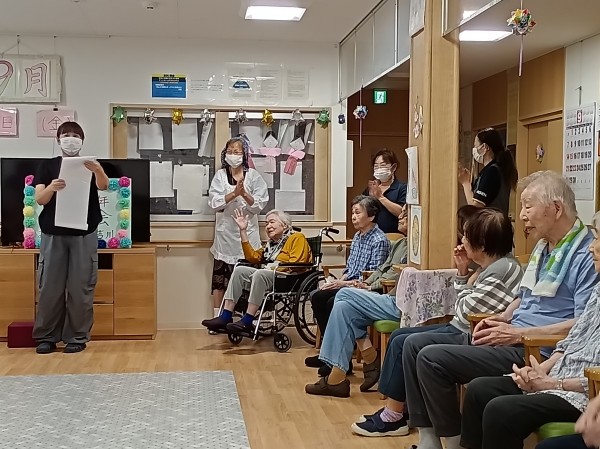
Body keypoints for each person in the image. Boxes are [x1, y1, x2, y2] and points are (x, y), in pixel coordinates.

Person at [404, 171, 598, 449]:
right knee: (414, 345)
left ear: (556, 209)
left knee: (432, 358)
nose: (522, 216)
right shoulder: (544, 247)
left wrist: (518, 334)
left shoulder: (586, 255)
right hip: (515, 336)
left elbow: (583, 324)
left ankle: (447, 441)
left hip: (534, 347)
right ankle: (434, 438)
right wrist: (504, 316)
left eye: (528, 206)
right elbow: (524, 296)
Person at [352, 207, 522, 435]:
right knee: (400, 336)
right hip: (462, 328)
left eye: (466, 236)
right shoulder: (491, 266)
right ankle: (399, 412)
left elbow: (464, 310)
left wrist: (465, 278)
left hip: (470, 333)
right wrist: (464, 274)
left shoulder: (501, 269)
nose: (462, 241)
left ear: (481, 244)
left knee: (408, 343)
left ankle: (396, 416)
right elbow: (463, 306)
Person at [459, 213, 600, 449]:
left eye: (598, 239)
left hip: (583, 393)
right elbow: (572, 340)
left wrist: (553, 383)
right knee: (478, 390)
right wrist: (541, 370)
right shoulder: (598, 291)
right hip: (557, 376)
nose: (591, 247)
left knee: (501, 410)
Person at [304, 205, 409, 398]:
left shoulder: (414, 248)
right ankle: (337, 379)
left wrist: (366, 286)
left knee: (342, 295)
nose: (400, 216)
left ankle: (366, 358)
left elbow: (392, 276)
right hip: (380, 293)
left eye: (405, 214)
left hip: (397, 302)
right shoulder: (402, 243)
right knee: (344, 307)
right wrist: (364, 284)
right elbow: (382, 269)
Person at [32, 121, 109, 354]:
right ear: (58, 140)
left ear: (82, 140)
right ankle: (47, 337)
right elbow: (40, 198)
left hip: (83, 234)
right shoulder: (47, 166)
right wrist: (51, 188)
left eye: (76, 135)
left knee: (81, 288)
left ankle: (77, 337)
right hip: (53, 234)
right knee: (49, 287)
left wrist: (98, 170)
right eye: (66, 135)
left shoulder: (90, 164)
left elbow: (104, 186)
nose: (71, 139)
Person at [304, 195, 390, 369]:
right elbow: (350, 269)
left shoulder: (379, 240)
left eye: (358, 213)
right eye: (352, 213)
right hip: (350, 285)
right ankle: (329, 354)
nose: (353, 217)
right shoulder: (358, 236)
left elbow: (371, 278)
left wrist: (342, 285)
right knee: (317, 296)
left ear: (371, 216)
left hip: (366, 289)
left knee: (332, 302)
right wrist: (337, 281)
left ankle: (340, 359)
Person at [202, 209, 312, 334]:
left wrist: (272, 267)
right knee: (239, 270)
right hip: (270, 275)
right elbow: (253, 257)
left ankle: (248, 320)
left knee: (260, 273)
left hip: (289, 278)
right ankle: (225, 316)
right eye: (266, 224)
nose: (268, 226)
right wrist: (243, 231)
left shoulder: (297, 237)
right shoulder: (272, 244)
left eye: (272, 222)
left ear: (284, 225)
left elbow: (297, 262)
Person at [208, 136, 269, 323]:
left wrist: (244, 194)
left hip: (247, 236)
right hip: (225, 237)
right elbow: (214, 203)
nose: (232, 155)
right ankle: (218, 318)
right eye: (229, 151)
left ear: (244, 155)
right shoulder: (220, 176)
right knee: (220, 282)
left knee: (249, 280)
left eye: (237, 152)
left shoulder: (254, 176)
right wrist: (234, 194)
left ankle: (247, 319)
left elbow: (259, 205)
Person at [458, 128, 518, 216]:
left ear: (485, 147)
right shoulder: (496, 169)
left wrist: (465, 183)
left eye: (475, 145)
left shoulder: (492, 172)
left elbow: (475, 208)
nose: (474, 149)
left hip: (490, 223)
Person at [365, 149, 407, 233]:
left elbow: (402, 213)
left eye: (383, 165)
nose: (379, 169)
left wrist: (380, 197)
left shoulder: (402, 188)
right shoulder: (372, 188)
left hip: (394, 236)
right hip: (373, 235)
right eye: (376, 166)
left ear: (394, 167)